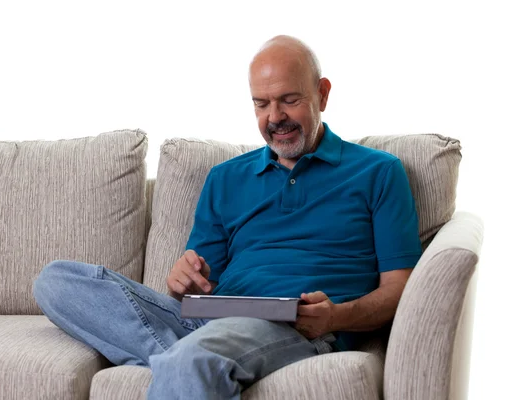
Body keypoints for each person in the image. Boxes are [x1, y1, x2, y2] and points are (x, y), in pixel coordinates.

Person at [33, 35, 422, 399]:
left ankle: (190, 364)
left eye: (289, 100)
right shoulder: (225, 179)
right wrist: (182, 280)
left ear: (322, 94)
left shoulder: (378, 173)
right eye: (261, 104)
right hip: (211, 320)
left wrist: (336, 317)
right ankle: (188, 365)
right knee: (57, 281)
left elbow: (399, 289)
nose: (275, 117)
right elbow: (198, 289)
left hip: (294, 326)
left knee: (197, 358)